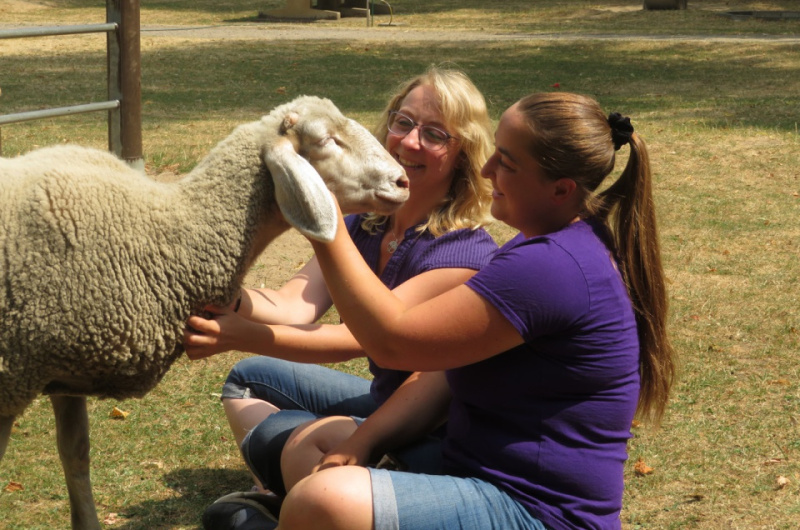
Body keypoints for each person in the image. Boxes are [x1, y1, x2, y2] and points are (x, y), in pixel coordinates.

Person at [274, 92, 677, 530]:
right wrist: (363, 440)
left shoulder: (553, 266)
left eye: (506, 162)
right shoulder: (541, 243)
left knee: (323, 499)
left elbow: (392, 342)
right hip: (471, 468)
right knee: (310, 444)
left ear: (561, 190)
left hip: (536, 511)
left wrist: (323, 220)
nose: (486, 171)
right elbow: (441, 371)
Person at [184, 66, 498, 517]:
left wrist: (239, 334)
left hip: (425, 428)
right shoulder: (367, 223)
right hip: (382, 396)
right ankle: (278, 495)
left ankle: (301, 495)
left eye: (434, 134)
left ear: (463, 152)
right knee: (249, 378)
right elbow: (297, 302)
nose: (409, 142)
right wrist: (230, 301)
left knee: (292, 434)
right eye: (403, 122)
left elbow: (367, 340)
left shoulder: (463, 252)